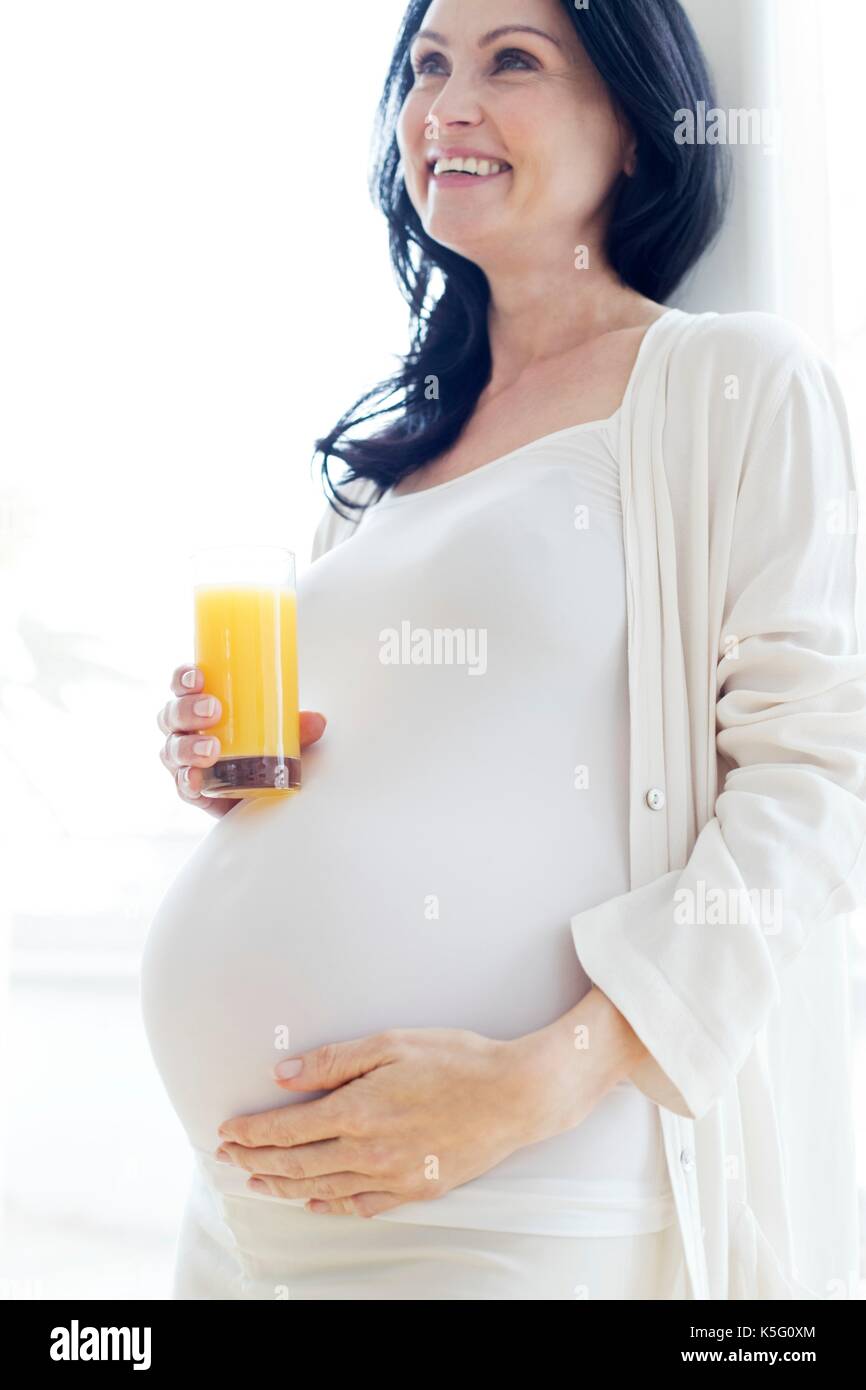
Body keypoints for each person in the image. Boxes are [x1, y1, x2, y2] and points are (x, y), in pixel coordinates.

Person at [148, 0, 865, 1300]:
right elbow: (387, 769)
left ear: (635, 129)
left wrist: (549, 1077)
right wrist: (226, 762)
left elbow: (819, 787)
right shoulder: (379, 470)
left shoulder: (725, 386)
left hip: (511, 1176)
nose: (445, 106)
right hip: (251, 1203)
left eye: (510, 62)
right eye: (424, 66)